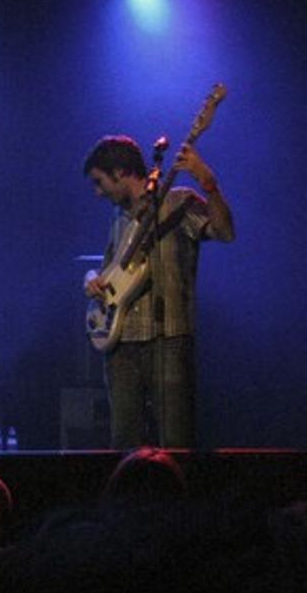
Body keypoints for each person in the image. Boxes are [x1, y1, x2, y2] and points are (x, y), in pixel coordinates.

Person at [83, 136, 234, 448]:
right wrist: (92, 279)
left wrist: (208, 182)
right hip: (122, 342)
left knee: (174, 442)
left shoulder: (178, 202)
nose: (98, 193)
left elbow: (224, 232)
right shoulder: (119, 216)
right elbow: (109, 268)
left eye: (100, 182)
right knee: (124, 444)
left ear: (120, 172)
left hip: (169, 338)